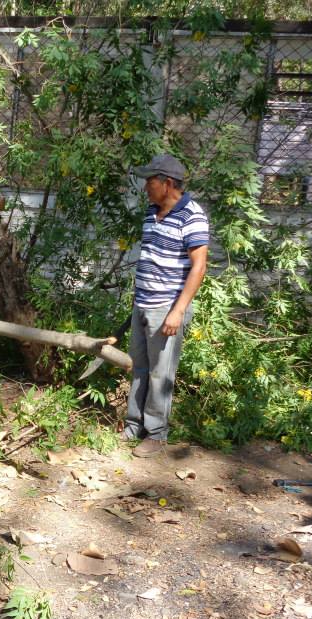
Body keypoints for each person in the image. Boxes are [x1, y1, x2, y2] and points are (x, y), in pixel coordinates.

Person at [123, 154, 209, 458]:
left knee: (162, 373)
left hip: (166, 308)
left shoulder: (192, 216)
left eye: (150, 180)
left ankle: (157, 434)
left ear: (167, 183)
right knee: (140, 367)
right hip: (143, 304)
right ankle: (134, 426)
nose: (146, 186)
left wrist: (178, 310)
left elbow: (198, 268)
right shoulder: (152, 212)